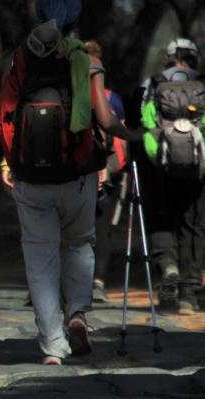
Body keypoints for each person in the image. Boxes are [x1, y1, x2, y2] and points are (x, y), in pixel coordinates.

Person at [0, 0, 143, 365]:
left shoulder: (19, 60)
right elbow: (106, 121)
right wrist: (138, 135)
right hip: (78, 172)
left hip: (30, 176)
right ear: (76, 19)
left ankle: (52, 346)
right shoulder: (87, 60)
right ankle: (77, 312)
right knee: (78, 244)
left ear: (38, 17)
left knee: (40, 255)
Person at [139, 38, 205, 315]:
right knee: (192, 227)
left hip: (158, 166)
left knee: (160, 219)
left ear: (168, 58)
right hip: (199, 169)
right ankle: (189, 296)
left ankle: (168, 266)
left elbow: (137, 124)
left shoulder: (153, 84)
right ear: (194, 59)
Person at [84, 40, 128, 304]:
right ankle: (97, 282)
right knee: (102, 227)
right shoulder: (112, 98)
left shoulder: (65, 92)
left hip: (72, 169)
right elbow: (118, 132)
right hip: (105, 170)